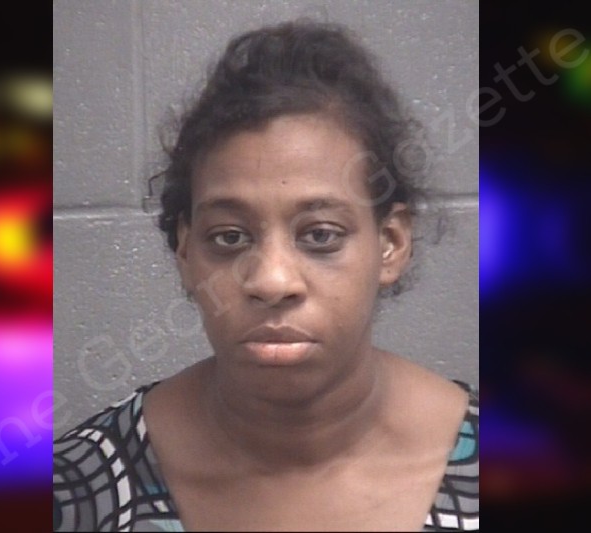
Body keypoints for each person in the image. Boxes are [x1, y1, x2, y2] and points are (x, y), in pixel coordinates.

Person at [53, 19, 478, 532]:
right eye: (230, 237)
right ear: (186, 250)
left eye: (320, 234)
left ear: (390, 244)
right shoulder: (78, 491)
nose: (273, 282)